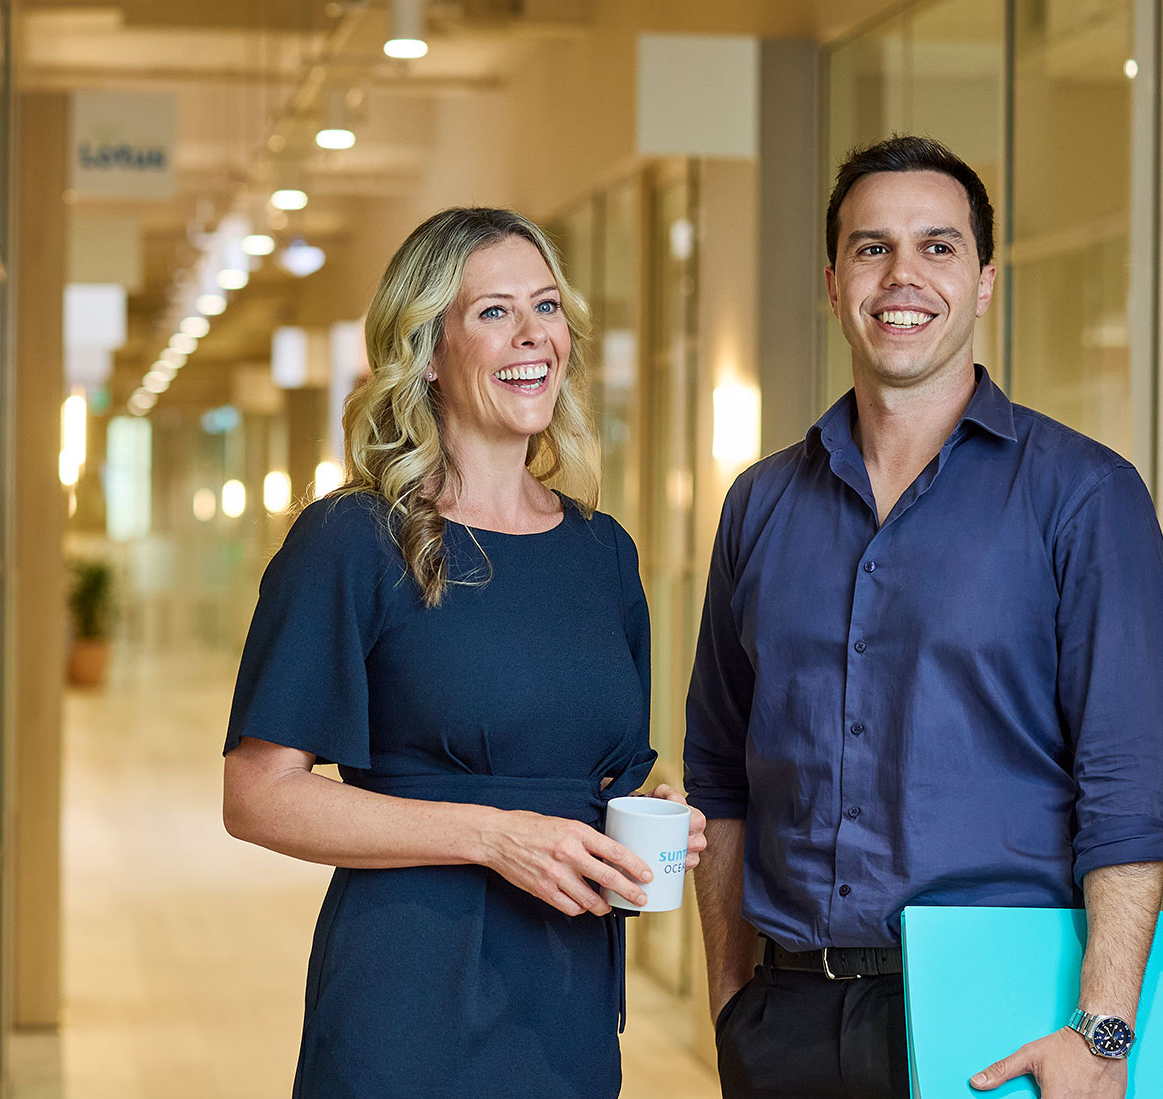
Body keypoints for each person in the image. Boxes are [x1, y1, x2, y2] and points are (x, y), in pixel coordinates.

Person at [686, 134, 1163, 1099]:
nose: (904, 276)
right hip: (785, 1023)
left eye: (939, 247)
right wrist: (732, 999)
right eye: (873, 248)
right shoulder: (759, 504)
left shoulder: (1084, 496)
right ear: (833, 281)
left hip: (1003, 1025)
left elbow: (1130, 786)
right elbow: (720, 771)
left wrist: (1104, 1031)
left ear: (986, 281)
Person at [222, 206, 707, 1098]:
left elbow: (611, 769)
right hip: (408, 995)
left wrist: (656, 804)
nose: (534, 336)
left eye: (548, 306)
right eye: (493, 312)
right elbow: (257, 796)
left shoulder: (604, 553)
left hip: (568, 1001)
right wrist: (491, 837)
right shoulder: (354, 540)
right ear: (429, 350)